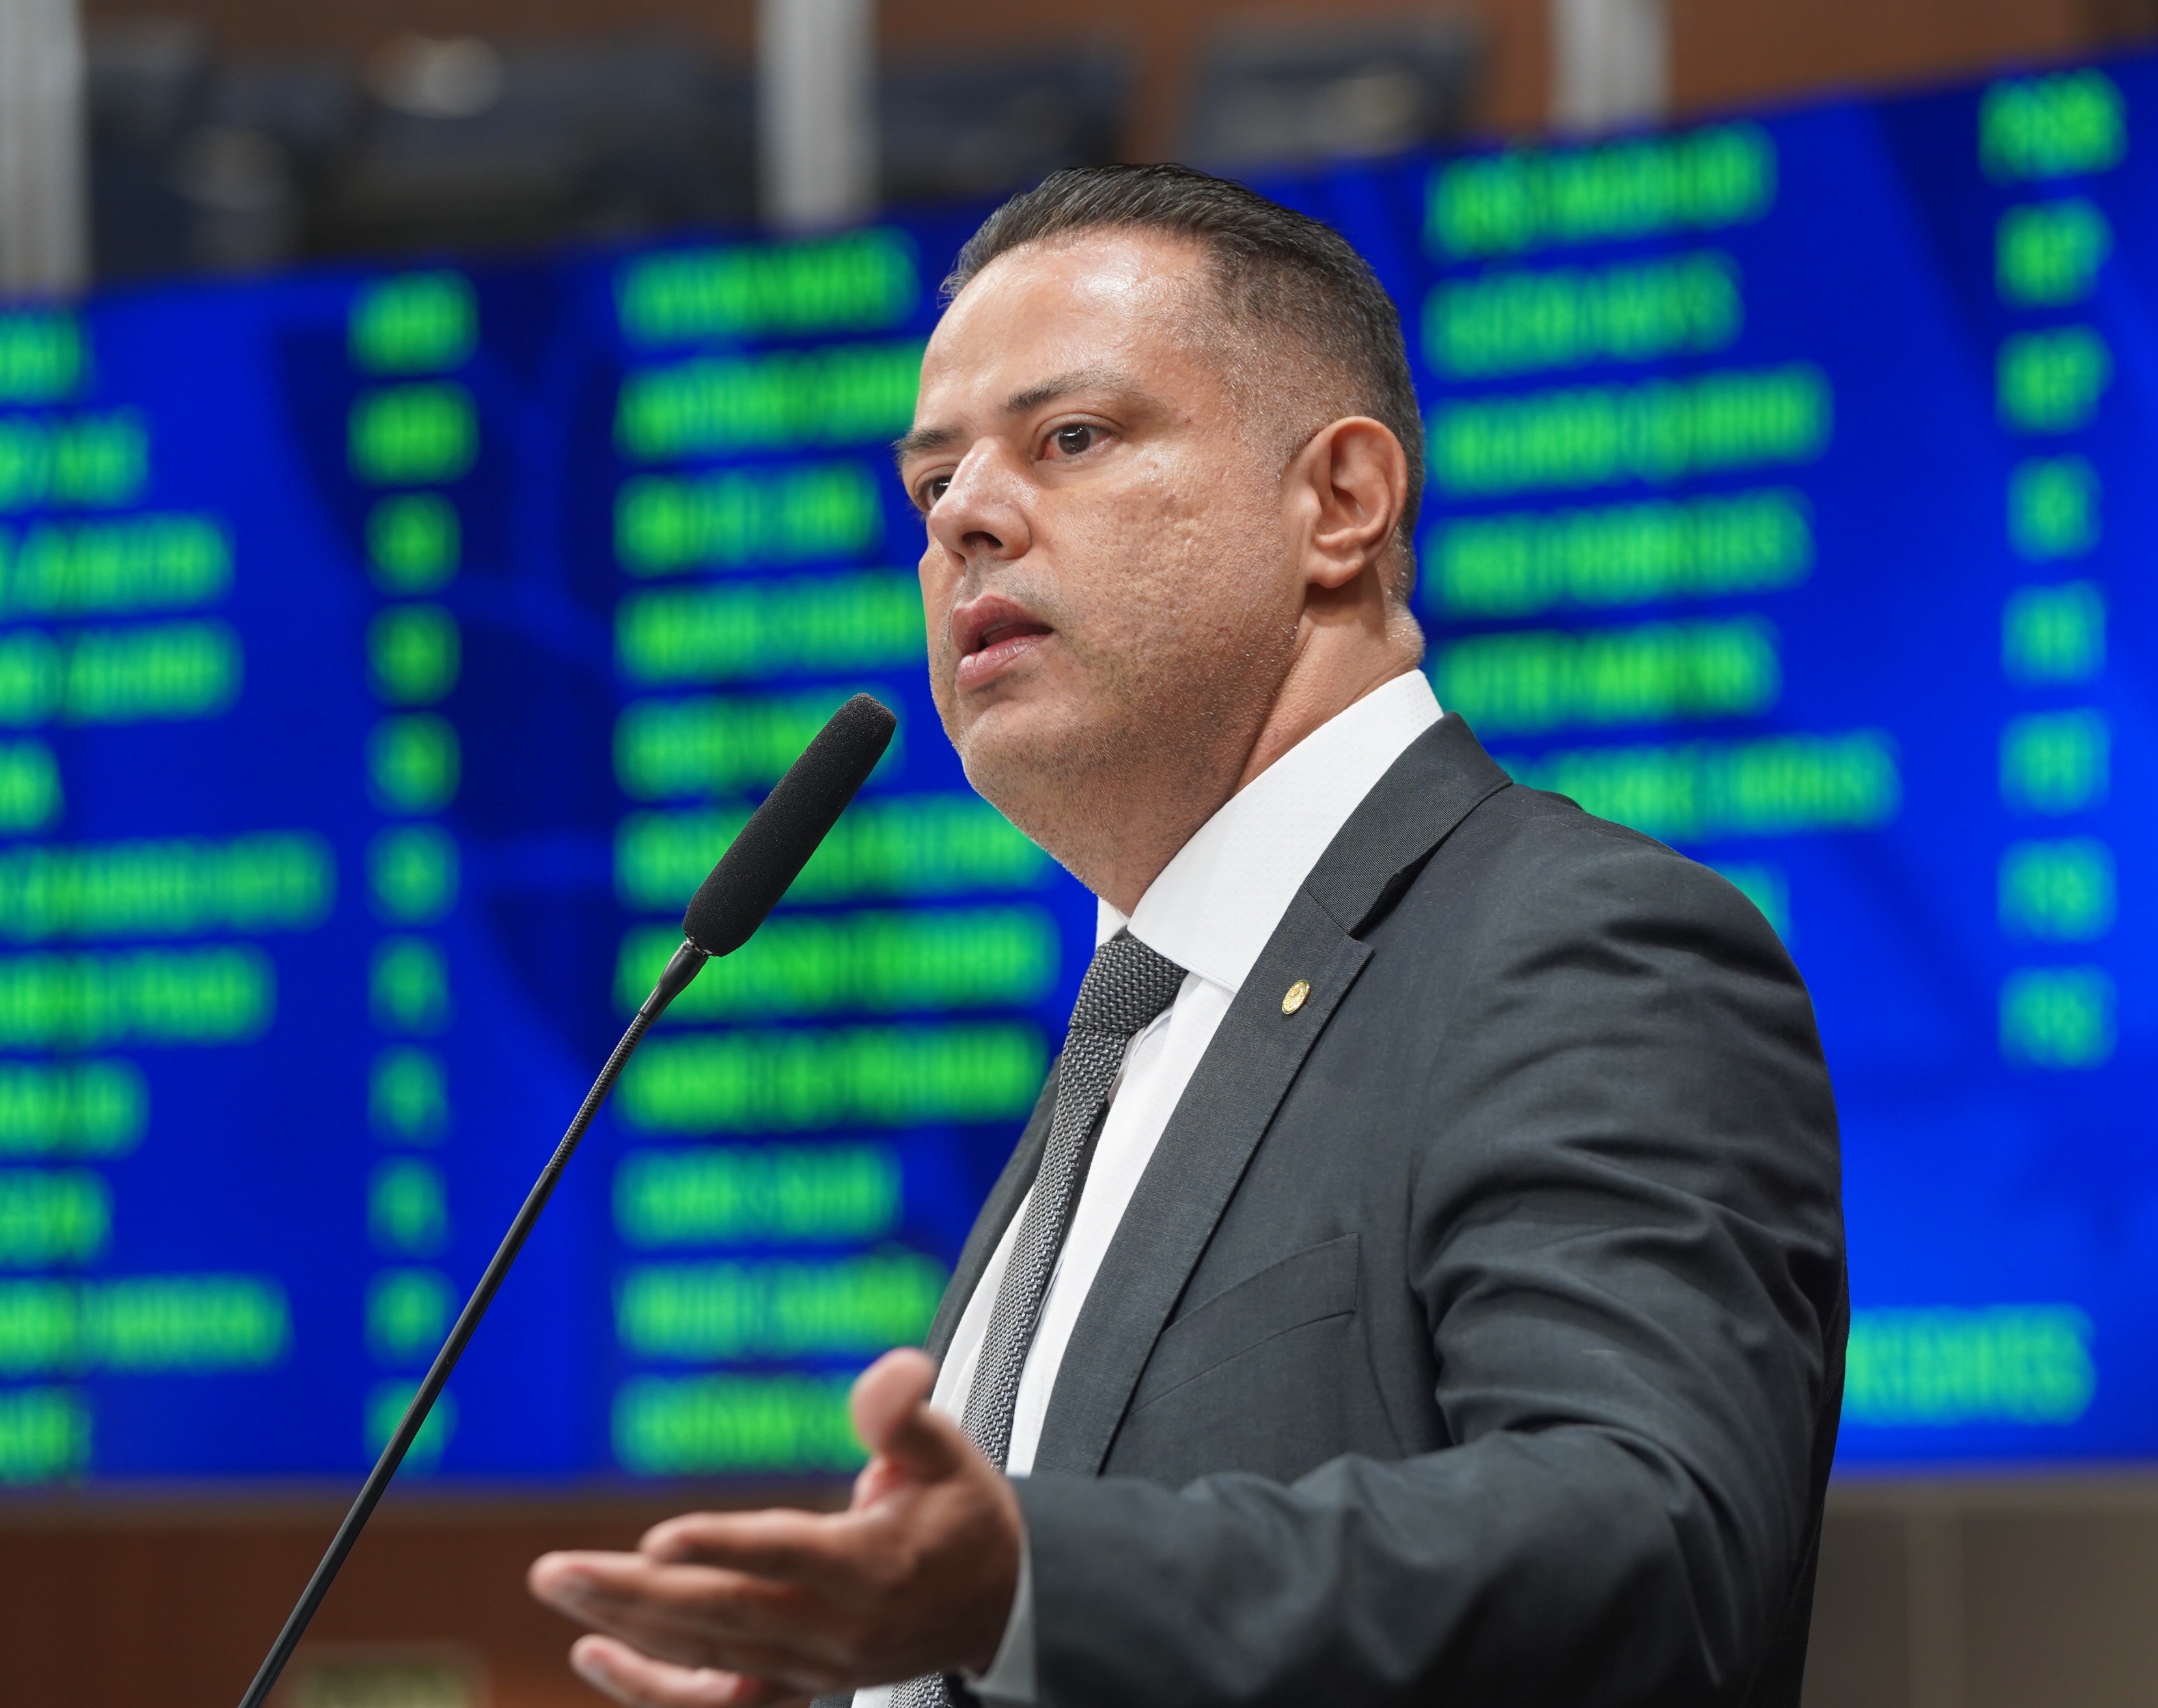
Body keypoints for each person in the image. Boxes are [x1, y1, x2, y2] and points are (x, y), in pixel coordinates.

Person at [529, 163, 1847, 1708]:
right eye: (931, 483)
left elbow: (1654, 1543)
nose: (965, 518)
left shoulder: (1576, 946)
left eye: (1071, 438)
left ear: (1338, 501)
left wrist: (1030, 1589)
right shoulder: (1129, 1034)